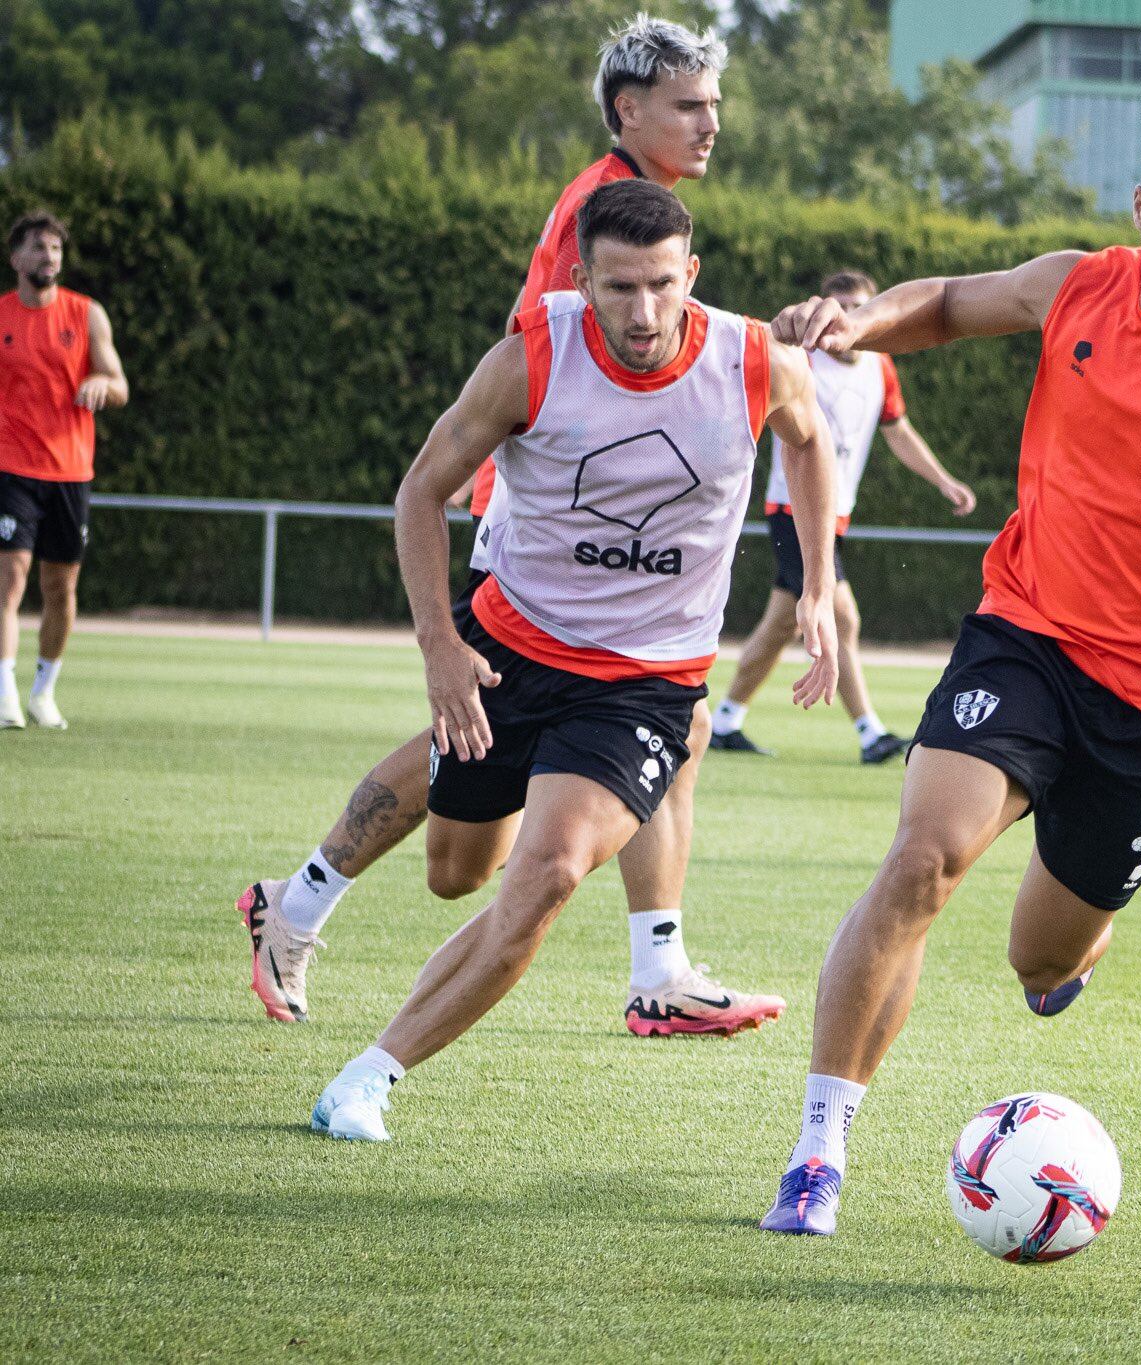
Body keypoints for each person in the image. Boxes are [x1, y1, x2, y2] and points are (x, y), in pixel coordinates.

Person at [755, 99, 1141, 1236]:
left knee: (1034, 956)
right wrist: (857, 320)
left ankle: (1066, 958)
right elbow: (940, 305)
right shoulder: (1073, 285)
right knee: (922, 862)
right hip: (1026, 635)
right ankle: (818, 1148)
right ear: (1139, 207)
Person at [236, 16, 782, 1040]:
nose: (711, 123)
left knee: (640, 739)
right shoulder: (601, 209)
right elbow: (538, 362)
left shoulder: (620, 202)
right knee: (519, 745)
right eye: (689, 104)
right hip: (547, 521)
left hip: (569, 514)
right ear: (630, 109)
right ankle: (304, 903)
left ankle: (651, 959)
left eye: (714, 103)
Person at [309, 180, 840, 1142]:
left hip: (647, 682)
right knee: (456, 873)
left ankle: (367, 1075)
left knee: (548, 872)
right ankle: (374, 886)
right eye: (619, 288)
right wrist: (440, 649)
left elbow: (809, 444)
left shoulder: (754, 358)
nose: (644, 314)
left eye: (663, 287)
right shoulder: (530, 362)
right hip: (507, 654)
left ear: (694, 276)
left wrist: (815, 581)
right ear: (582, 278)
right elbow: (419, 494)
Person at [708, 268, 976, 763]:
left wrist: (942, 481)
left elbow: (898, 431)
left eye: (858, 308)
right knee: (843, 615)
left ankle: (724, 719)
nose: (847, 318)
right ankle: (869, 732)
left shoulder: (881, 367)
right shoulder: (801, 358)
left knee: (780, 624)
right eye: (839, 306)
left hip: (839, 516)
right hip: (794, 508)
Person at [1, 210, 129, 731]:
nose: (48, 257)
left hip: (71, 472)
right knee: (10, 579)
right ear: (16, 258)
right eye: (37, 247)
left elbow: (119, 383)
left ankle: (43, 692)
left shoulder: (86, 314)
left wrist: (103, 386)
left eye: (54, 248)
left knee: (61, 588)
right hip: (11, 467)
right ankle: (3, 690)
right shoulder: (3, 317)